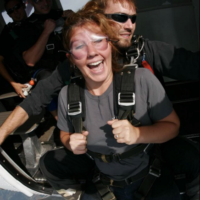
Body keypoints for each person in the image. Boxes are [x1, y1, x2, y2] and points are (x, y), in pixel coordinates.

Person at [0, 0, 199, 199]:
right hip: (100, 154)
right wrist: (2, 133)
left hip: (153, 142)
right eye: (120, 18)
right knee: (51, 163)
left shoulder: (145, 51)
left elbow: (191, 65)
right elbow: (36, 100)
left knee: (191, 157)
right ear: (99, 20)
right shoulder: (76, 64)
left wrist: (139, 134)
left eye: (133, 18)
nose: (129, 25)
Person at [39, 9, 181, 200]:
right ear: (71, 58)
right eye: (79, 46)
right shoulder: (68, 95)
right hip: (104, 183)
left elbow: (173, 127)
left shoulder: (142, 80)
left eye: (98, 40)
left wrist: (138, 134)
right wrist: (69, 142)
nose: (92, 52)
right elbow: (65, 132)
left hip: (150, 178)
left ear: (110, 45)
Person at [0, 0, 28, 97]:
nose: (15, 12)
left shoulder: (37, 22)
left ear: (24, 5)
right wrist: (13, 83)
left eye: (17, 7)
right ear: (9, 14)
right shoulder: (7, 34)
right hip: (28, 80)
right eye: (11, 10)